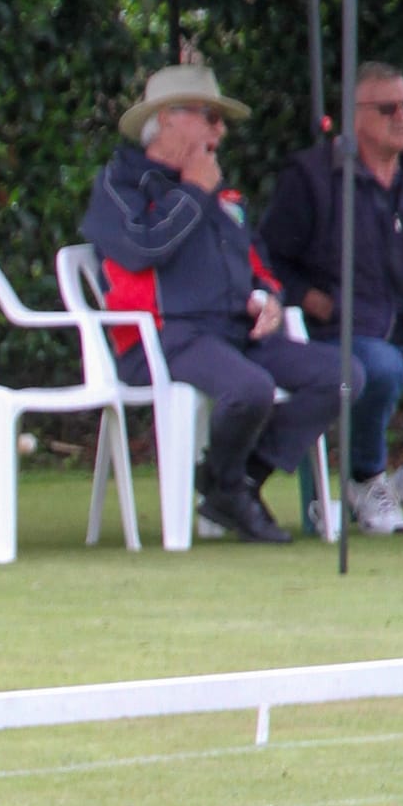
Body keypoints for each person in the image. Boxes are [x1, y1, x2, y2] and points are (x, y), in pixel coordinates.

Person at [84, 62, 353, 545]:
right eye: (210, 116)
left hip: (235, 334)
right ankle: (228, 486)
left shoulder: (220, 190)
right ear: (167, 118)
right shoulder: (119, 183)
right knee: (250, 388)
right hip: (164, 337)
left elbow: (259, 262)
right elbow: (141, 248)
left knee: (344, 374)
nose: (220, 129)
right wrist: (192, 191)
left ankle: (236, 481)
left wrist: (269, 298)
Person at [260, 61, 403, 535]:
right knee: (380, 369)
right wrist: (309, 299)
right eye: (388, 107)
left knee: (398, 360)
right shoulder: (313, 177)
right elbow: (267, 258)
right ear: (354, 117)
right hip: (345, 330)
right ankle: (365, 479)